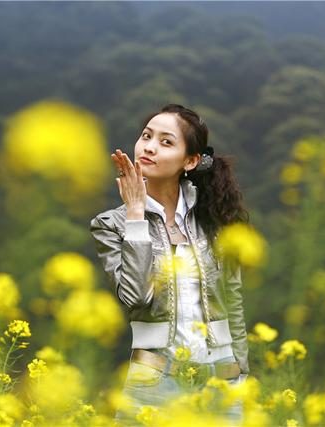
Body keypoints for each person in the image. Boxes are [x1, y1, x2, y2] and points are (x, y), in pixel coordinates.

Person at [89, 104, 250, 425]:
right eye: (146, 136)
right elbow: (136, 298)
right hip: (153, 380)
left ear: (190, 161)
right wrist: (135, 216)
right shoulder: (111, 224)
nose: (149, 146)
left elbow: (233, 302)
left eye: (166, 141)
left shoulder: (215, 219)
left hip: (222, 380)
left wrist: (241, 372)